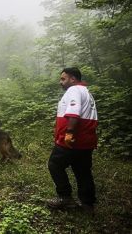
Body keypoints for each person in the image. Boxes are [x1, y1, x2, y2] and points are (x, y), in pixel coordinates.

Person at [47, 67, 98, 213]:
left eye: (63, 79)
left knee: (55, 164)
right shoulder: (86, 91)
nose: (60, 82)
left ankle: (65, 197)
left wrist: (68, 133)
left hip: (72, 140)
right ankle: (88, 204)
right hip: (85, 141)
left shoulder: (74, 90)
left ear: (73, 79)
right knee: (83, 171)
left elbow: (74, 113)